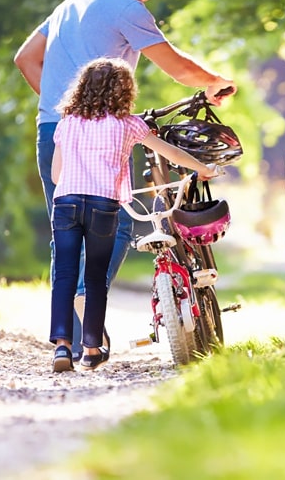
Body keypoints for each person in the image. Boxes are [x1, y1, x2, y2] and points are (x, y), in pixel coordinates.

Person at [14, 0, 235, 360]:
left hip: (53, 129)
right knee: (112, 225)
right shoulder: (126, 9)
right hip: (104, 135)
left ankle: (76, 342)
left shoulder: (71, 3)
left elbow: (25, 59)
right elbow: (175, 66)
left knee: (66, 230)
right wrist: (213, 81)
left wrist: (70, 110)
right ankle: (84, 299)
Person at [49, 57, 221, 372]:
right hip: (103, 204)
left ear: (82, 88)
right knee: (95, 278)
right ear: (124, 90)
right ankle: (91, 348)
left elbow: (57, 175)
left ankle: (62, 349)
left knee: (64, 275)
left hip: (66, 203)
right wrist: (204, 169)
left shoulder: (67, 121)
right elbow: (170, 153)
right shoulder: (128, 124)